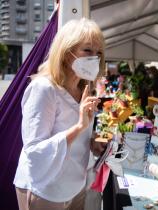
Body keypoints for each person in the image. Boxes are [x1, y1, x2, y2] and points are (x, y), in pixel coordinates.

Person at [14, 18, 107, 210]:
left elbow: (77, 135)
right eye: (87, 50)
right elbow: (34, 150)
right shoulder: (44, 89)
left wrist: (92, 140)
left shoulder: (85, 88)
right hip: (45, 189)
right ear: (66, 53)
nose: (94, 58)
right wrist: (79, 126)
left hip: (75, 186)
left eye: (98, 53)